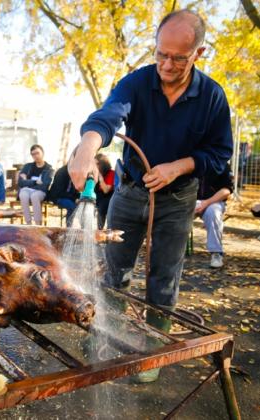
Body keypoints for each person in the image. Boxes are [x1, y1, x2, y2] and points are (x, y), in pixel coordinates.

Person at [68, 9, 233, 382]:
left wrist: (181, 165)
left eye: (179, 57)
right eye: (161, 54)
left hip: (177, 202)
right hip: (129, 194)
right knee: (115, 271)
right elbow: (109, 115)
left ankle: (153, 350)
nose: (167, 64)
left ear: (199, 53)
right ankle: (105, 337)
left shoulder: (212, 97)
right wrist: (87, 146)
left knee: (164, 278)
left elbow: (220, 153)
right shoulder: (137, 83)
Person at [195, 163, 233, 268]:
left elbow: (226, 190)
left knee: (213, 212)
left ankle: (216, 253)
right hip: (189, 201)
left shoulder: (222, 164)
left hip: (213, 202)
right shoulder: (188, 159)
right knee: (174, 212)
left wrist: (206, 203)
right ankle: (169, 251)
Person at [18, 144, 54, 225]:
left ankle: (38, 224)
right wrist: (34, 182)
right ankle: (28, 223)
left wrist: (27, 181)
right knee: (23, 194)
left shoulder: (49, 169)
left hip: (40, 191)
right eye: (33, 154)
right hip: (27, 190)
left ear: (42, 153)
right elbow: (20, 182)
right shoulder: (27, 166)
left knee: (34, 196)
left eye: (37, 153)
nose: (35, 156)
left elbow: (45, 185)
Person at [94, 154, 115, 229]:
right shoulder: (93, 173)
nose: (94, 166)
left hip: (108, 196)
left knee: (102, 208)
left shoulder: (111, 173)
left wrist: (100, 176)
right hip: (98, 196)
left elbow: (106, 190)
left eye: (97, 164)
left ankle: (100, 229)